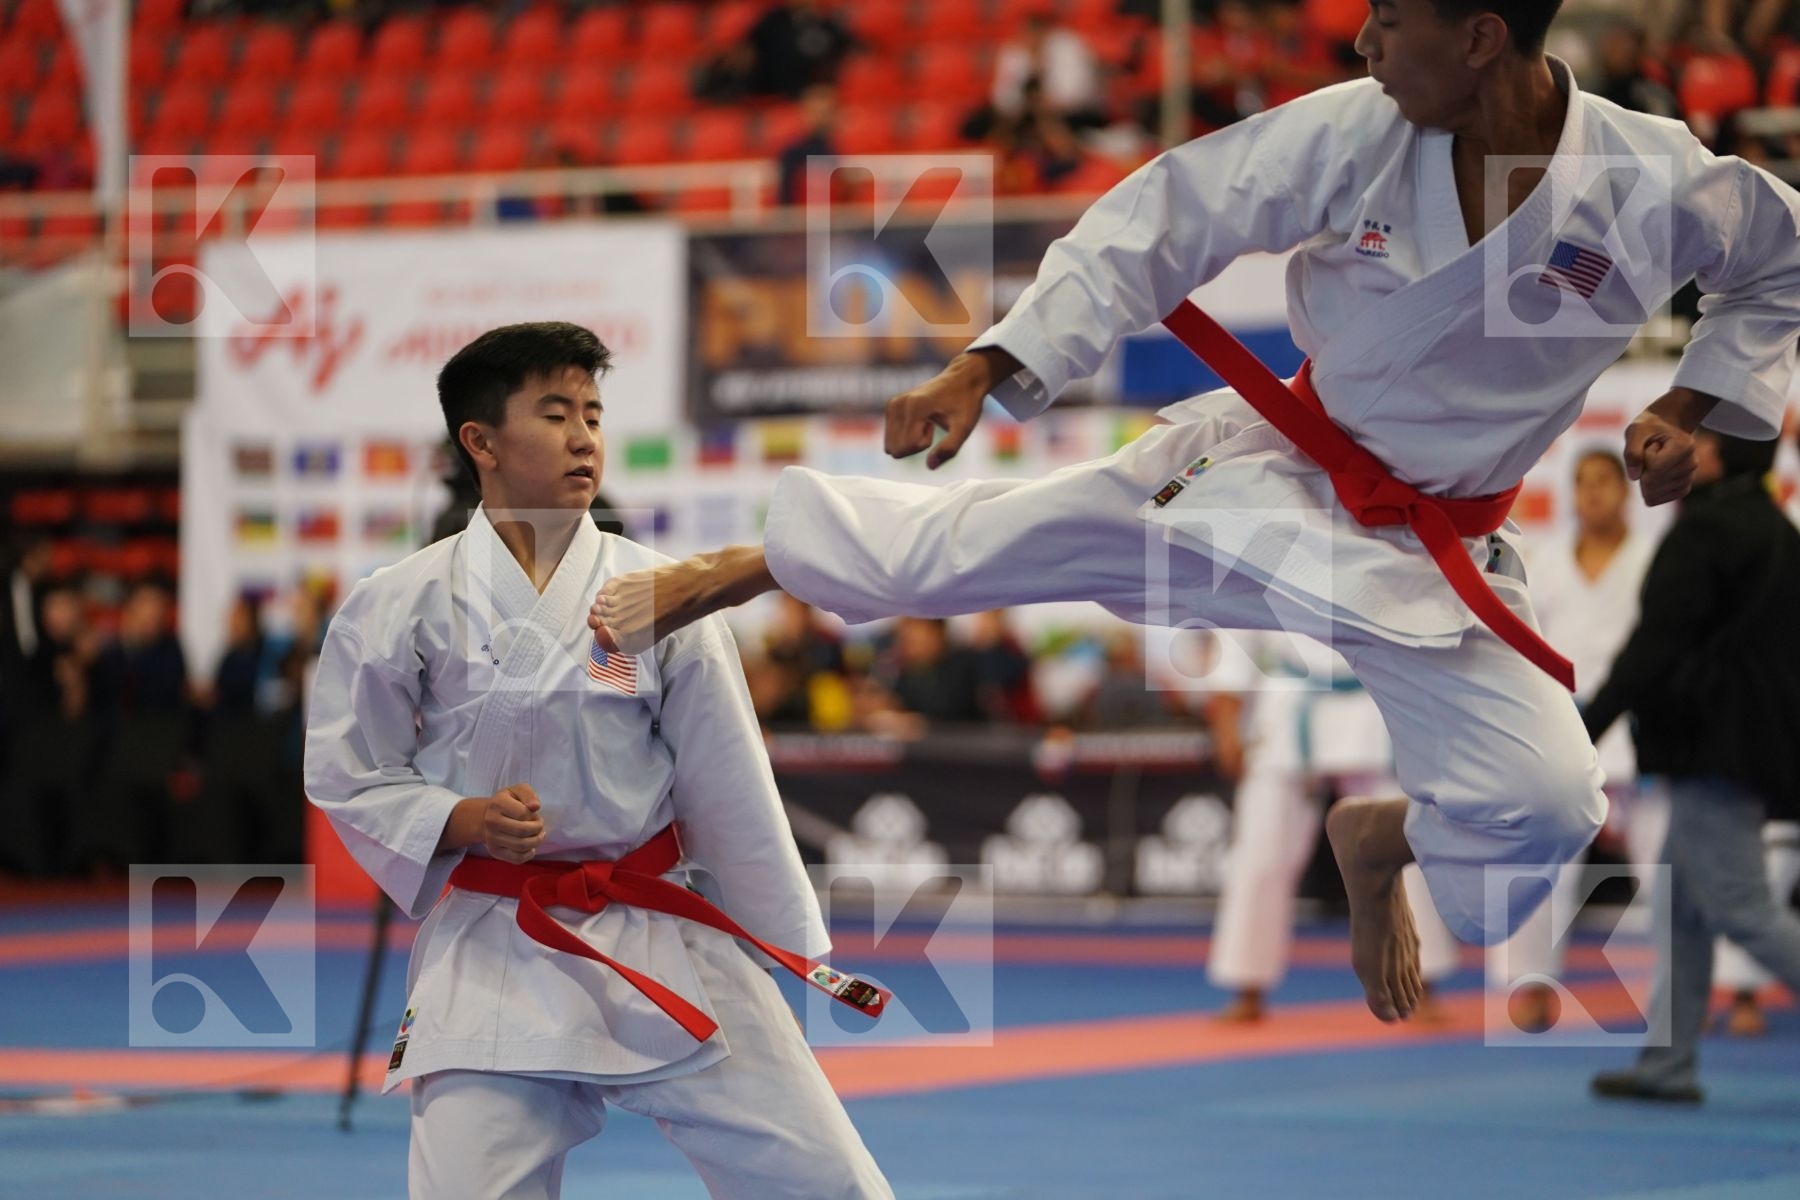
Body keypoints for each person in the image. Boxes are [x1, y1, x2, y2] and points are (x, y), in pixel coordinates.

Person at [591, 0, 1800, 1024]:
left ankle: (1380, 841)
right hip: (1270, 483)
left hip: (1439, 548)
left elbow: (1778, 266)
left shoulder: (1650, 178)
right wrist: (986, 365)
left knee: (1546, 811)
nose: (1367, 40)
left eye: (1391, 18)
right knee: (977, 546)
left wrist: (1700, 406)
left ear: (1483, 37)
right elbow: (1163, 218)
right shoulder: (1359, 133)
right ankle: (742, 568)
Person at [305, 323, 892, 1198]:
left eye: (593, 413)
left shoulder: (661, 593)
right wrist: (462, 820)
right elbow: (348, 771)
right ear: (482, 442)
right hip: (495, 941)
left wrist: (781, 941)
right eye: (555, 414)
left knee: (825, 1181)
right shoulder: (398, 606)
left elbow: (725, 780)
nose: (585, 437)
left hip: (657, 926)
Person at [1586, 430, 1800, 1103]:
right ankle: (1667, 1065)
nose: (1673, 450)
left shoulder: (1707, 531)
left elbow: (1654, 647)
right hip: (1748, 739)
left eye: (1694, 440)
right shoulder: (1773, 528)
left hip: (1713, 743)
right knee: (1680, 909)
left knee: (1742, 907)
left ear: (1716, 455)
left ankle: (1667, 1063)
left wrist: (1587, 724)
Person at [1486, 449, 1657, 1030]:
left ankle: (1692, 992)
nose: (1593, 494)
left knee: (1662, 864)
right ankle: (1530, 987)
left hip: (1639, 727)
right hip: (1567, 726)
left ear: (1624, 491)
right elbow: (1521, 643)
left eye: (1605, 482)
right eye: (1582, 484)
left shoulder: (1653, 560)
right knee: (1544, 861)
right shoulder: (1546, 560)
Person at [1210, 635, 1461, 1024]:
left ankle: (1422, 983)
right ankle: (1248, 985)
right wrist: (1226, 721)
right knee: (1260, 852)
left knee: (1402, 849)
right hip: (1286, 706)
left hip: (1373, 705)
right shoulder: (1262, 570)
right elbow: (1234, 632)